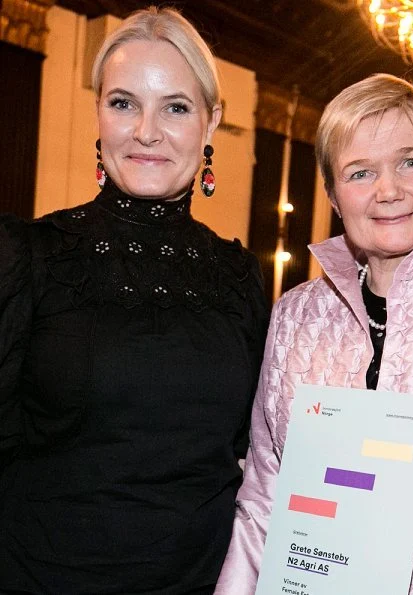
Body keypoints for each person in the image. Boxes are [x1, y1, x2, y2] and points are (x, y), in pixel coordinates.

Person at [215, 73, 413, 595]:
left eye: (410, 161)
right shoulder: (296, 317)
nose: (388, 190)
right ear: (332, 194)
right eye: (359, 172)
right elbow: (265, 493)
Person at [0, 7, 267, 594]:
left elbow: (256, 453)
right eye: (123, 103)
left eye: (175, 106)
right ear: (99, 112)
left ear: (210, 122)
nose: (147, 131)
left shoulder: (240, 276)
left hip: (200, 583)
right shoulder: (29, 256)